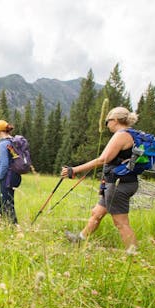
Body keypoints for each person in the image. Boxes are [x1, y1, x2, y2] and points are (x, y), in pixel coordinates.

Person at [60, 106, 140, 254]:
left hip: (118, 185)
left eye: (107, 121)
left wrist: (74, 170)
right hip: (123, 182)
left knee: (121, 223)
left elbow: (103, 159)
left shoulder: (121, 135)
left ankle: (133, 254)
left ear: (115, 120)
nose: (106, 125)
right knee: (96, 213)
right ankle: (80, 239)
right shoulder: (132, 134)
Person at [0, 120, 21, 226]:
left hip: (7, 177)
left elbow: (4, 164)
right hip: (15, 176)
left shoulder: (3, 144)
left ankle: (15, 228)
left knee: (7, 203)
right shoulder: (12, 142)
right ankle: (0, 223)